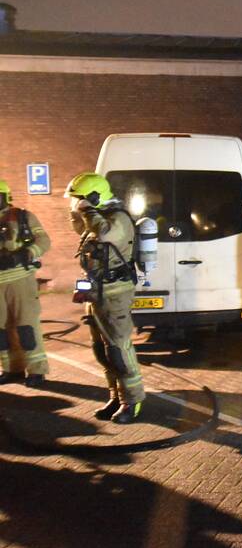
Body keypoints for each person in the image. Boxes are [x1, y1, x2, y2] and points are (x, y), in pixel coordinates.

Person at [66, 172, 144, 424]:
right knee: (102, 350)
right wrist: (77, 213)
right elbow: (82, 231)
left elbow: (105, 236)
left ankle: (133, 401)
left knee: (118, 348)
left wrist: (88, 211)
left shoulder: (117, 219)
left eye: (81, 199)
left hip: (115, 293)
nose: (78, 205)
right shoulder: (97, 219)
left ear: (95, 197)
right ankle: (116, 396)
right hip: (96, 291)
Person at [0, 179, 50, 386]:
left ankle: (37, 371)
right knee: (2, 329)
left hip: (20, 279)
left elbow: (44, 241)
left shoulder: (22, 217)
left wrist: (24, 254)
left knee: (25, 325)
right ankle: (12, 369)